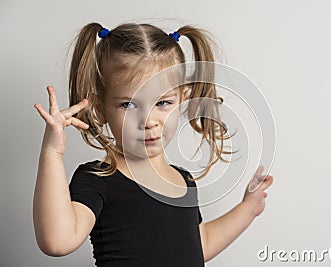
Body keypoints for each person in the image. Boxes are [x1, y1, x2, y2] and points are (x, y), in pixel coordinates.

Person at [33, 21, 274, 267]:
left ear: (182, 100)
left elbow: (200, 244)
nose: (148, 121)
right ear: (100, 108)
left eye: (163, 103)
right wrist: (52, 152)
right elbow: (57, 241)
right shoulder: (98, 179)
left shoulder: (184, 180)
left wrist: (248, 208)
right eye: (128, 105)